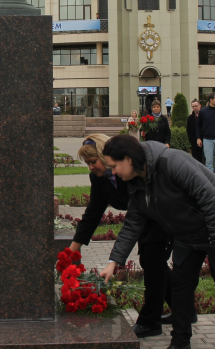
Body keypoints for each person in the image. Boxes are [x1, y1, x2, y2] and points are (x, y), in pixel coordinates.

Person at [99, 135, 215, 349]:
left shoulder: (172, 162)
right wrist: (113, 262)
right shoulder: (135, 182)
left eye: (114, 166)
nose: (113, 172)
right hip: (188, 233)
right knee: (181, 286)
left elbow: (210, 198)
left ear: (128, 159)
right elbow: (133, 223)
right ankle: (180, 343)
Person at [72, 134, 173, 338]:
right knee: (154, 263)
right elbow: (94, 212)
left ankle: (150, 321)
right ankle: (183, 309)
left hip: (158, 214)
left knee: (152, 261)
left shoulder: (127, 170)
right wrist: (73, 249)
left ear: (104, 156)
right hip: (141, 217)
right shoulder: (99, 178)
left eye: (93, 161)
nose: (91, 167)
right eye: (87, 163)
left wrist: (115, 258)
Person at [196, 93, 215, 178]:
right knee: (208, 162)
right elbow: (198, 125)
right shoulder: (203, 111)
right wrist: (198, 138)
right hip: (207, 139)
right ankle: (210, 181)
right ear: (211, 100)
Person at [186, 99, 205, 164]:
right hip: (194, 142)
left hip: (204, 141)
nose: (195, 108)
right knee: (196, 160)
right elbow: (188, 130)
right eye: (193, 106)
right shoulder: (190, 118)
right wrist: (191, 141)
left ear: (200, 106)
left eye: (196, 106)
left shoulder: (204, 116)